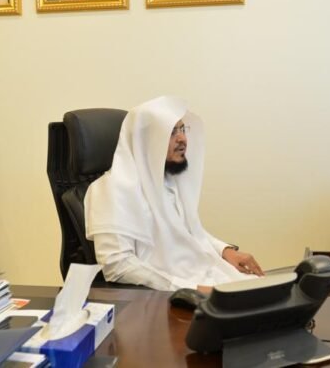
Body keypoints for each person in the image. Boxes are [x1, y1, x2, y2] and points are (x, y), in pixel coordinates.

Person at [85, 96, 263, 291]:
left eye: (182, 130)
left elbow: (189, 231)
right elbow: (118, 266)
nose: (182, 139)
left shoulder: (167, 180)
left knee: (271, 292)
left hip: (206, 275)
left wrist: (225, 251)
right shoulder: (111, 189)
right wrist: (191, 289)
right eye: (171, 132)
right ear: (147, 140)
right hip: (170, 294)